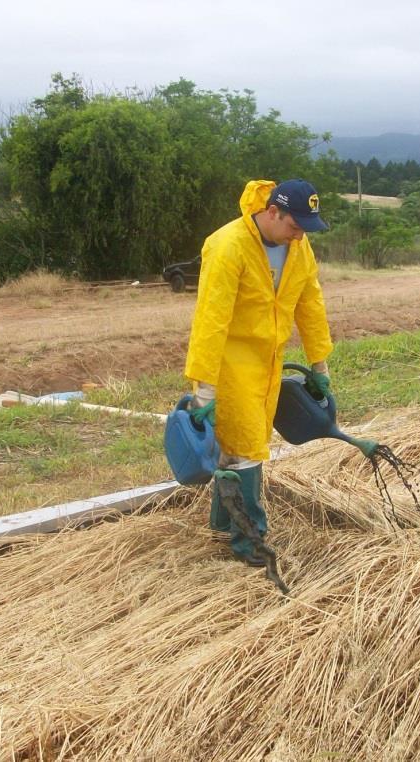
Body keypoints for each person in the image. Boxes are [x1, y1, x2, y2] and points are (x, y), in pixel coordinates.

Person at [184, 178, 334, 566]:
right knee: (248, 450)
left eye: (305, 228)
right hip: (230, 366)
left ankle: (221, 526)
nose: (300, 235)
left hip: (268, 365)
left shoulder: (298, 249)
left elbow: (310, 304)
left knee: (235, 452)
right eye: (295, 226)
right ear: (273, 212)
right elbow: (210, 320)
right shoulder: (228, 245)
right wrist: (204, 387)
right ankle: (251, 542)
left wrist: (320, 365)